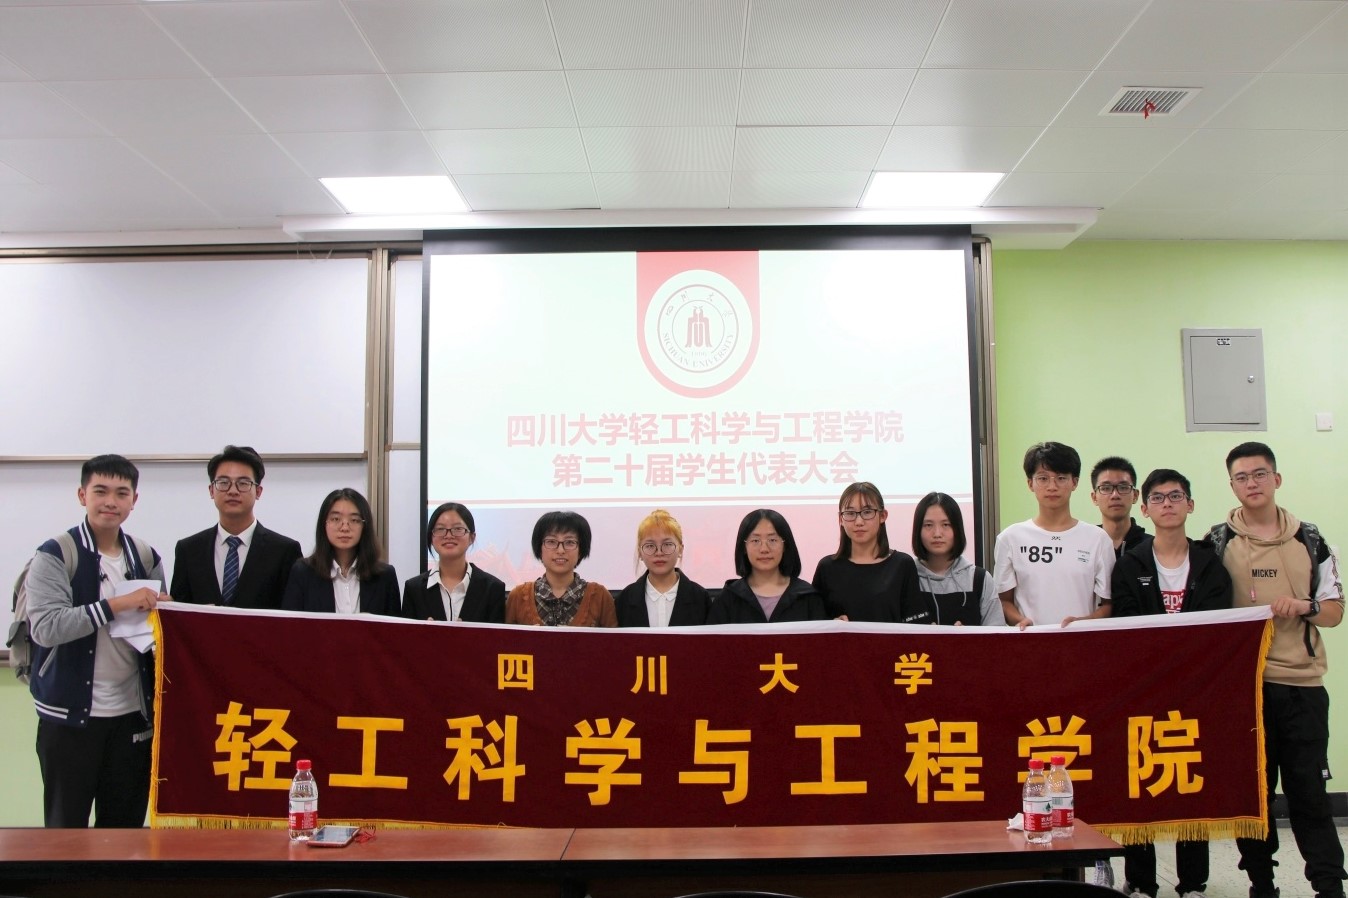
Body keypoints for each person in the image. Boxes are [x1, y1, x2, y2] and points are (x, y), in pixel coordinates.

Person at [1204, 442, 1345, 898]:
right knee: (1254, 795)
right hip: (1244, 690)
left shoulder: (1312, 540)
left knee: (1309, 792)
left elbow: (1334, 611)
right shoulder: (1215, 543)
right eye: (1242, 477)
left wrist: (1304, 606)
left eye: (1260, 474)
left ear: (1277, 479)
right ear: (1232, 485)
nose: (1252, 483)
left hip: (1303, 685)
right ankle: (1261, 884)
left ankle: (1329, 885)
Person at [25, 454, 169, 827]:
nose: (110, 502)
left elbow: (157, 638)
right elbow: (47, 627)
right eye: (100, 491)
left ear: (134, 500)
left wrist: (166, 615)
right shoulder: (57, 553)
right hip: (69, 719)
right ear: (82, 495)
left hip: (133, 716)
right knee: (65, 833)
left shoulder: (144, 556)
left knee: (123, 833)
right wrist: (116, 605)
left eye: (122, 493)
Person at [1112, 468, 1232, 898]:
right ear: (1144, 509)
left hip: (1196, 693)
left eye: (1176, 496)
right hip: (1143, 692)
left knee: (1189, 784)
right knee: (1140, 783)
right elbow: (1126, 626)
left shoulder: (1210, 564)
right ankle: (1141, 880)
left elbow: (1216, 628)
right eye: (1158, 498)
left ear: (1190, 505)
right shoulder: (1130, 564)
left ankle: (1193, 883)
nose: (1168, 504)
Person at [994, 441, 1115, 629]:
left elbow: (1109, 604)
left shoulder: (1098, 539)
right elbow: (1003, 601)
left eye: (1061, 478)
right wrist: (1020, 621)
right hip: (1030, 642)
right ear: (1030, 483)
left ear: (1074, 482)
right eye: (1043, 478)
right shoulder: (1010, 538)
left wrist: (1084, 623)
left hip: (1080, 641)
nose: (1052, 486)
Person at [170, 445, 301, 610]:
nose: (233, 491)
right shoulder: (188, 550)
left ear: (258, 491)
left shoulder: (285, 551)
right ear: (211, 490)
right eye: (223, 482)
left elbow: (293, 615)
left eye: (243, 483)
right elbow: (179, 612)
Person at [810, 482, 929, 623]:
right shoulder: (827, 568)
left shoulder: (902, 564)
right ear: (841, 519)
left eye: (867, 512)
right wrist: (832, 623)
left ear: (883, 516)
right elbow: (813, 621)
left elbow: (915, 622)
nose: (859, 521)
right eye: (850, 513)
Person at [281, 488, 400, 616]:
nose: (344, 528)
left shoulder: (385, 576)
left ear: (365, 526)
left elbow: (394, 627)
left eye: (354, 520)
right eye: (336, 519)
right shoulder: (303, 572)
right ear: (324, 524)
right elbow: (290, 625)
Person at [708, 509, 827, 624]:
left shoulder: (808, 598)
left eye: (772, 540)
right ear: (744, 547)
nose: (764, 549)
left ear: (785, 545)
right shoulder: (728, 599)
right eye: (755, 541)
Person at [506, 511, 616, 627]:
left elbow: (614, 638)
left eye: (569, 542)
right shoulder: (518, 597)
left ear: (580, 550)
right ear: (539, 548)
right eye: (551, 542)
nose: (560, 550)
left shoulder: (600, 597)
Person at [402, 502, 506, 622]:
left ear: (472, 537)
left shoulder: (492, 588)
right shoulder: (414, 589)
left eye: (458, 529)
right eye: (440, 529)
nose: (449, 535)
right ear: (431, 538)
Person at [911, 492, 1000, 626]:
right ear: (918, 530)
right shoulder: (906, 578)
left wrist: (967, 637)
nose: (937, 534)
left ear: (957, 529)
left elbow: (996, 634)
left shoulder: (980, 579)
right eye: (928, 525)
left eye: (946, 525)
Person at [615, 509, 710, 627]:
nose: (659, 553)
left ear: (680, 550)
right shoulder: (624, 600)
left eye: (667, 544)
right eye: (650, 545)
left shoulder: (700, 598)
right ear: (640, 553)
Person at [1090, 455, 1148, 558]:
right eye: (1106, 488)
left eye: (1123, 487)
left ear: (1135, 496)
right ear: (1094, 498)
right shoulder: (1086, 545)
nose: (1115, 495)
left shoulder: (1150, 547)